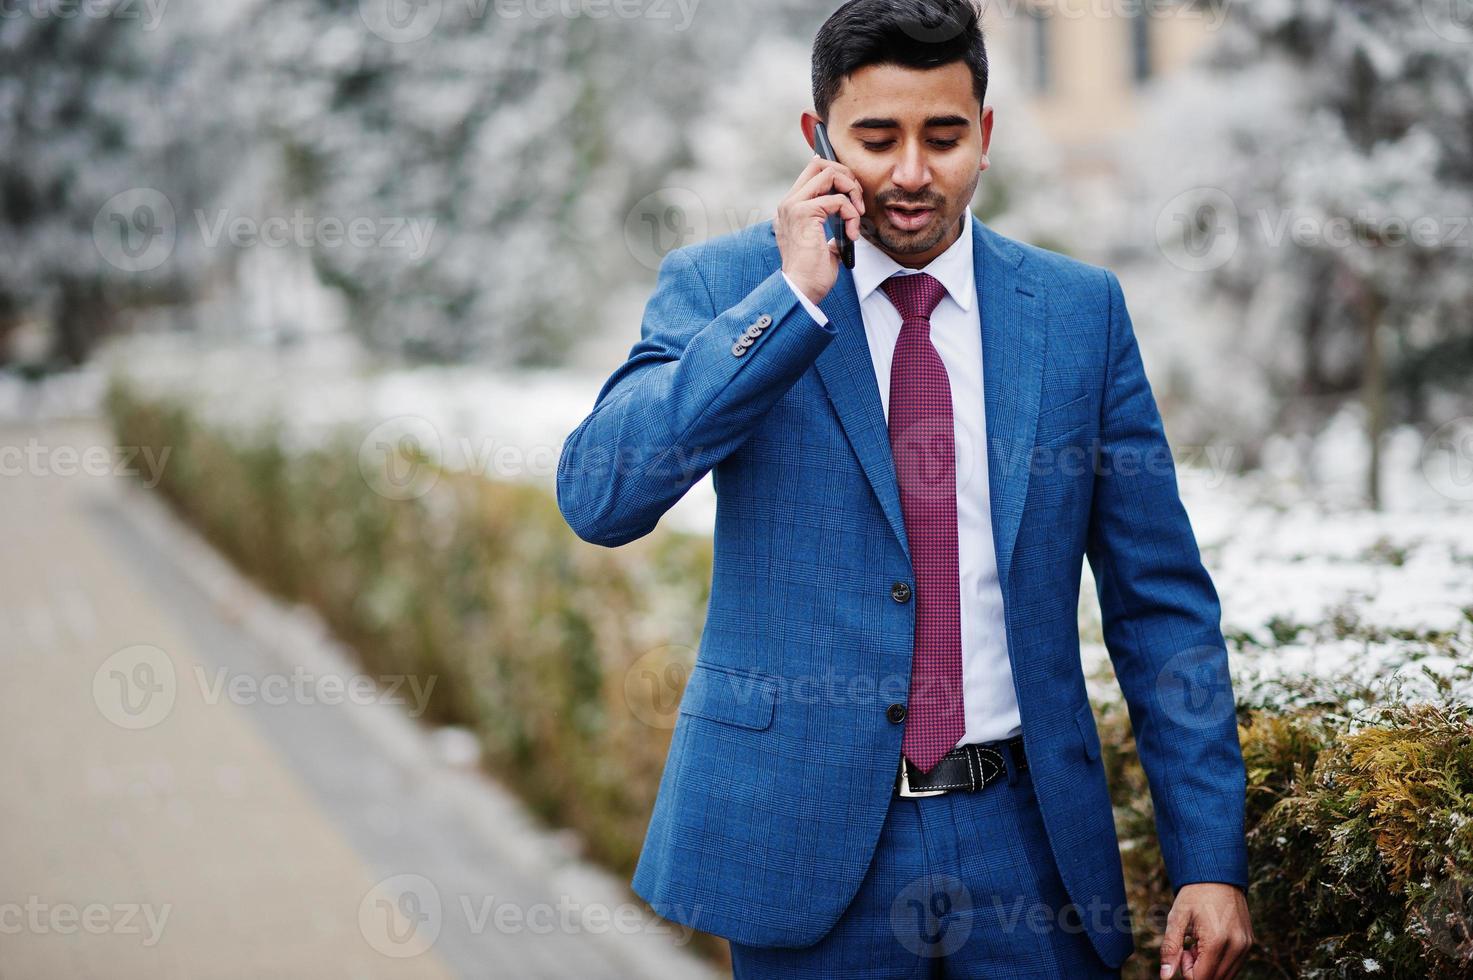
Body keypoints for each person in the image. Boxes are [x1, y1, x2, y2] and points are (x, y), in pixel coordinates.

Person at [556, 1, 1254, 976]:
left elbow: (1161, 602)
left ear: (987, 134)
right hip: (806, 844)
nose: (914, 172)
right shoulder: (724, 291)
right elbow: (601, 495)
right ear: (820, 140)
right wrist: (790, 299)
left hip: (1029, 848)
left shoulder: (1076, 314)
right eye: (877, 138)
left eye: (944, 135)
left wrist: (1213, 858)